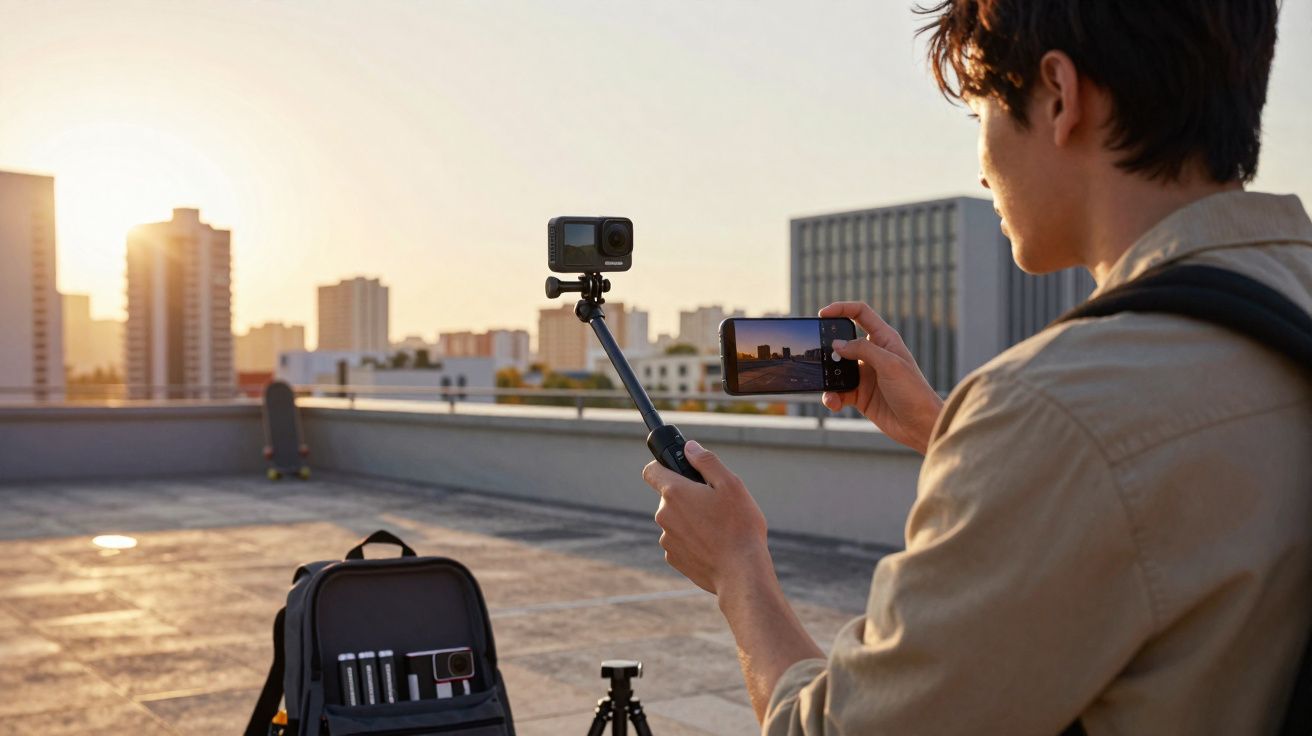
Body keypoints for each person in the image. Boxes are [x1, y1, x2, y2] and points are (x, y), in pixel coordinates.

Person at [641, 1, 1311, 733]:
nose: (983, 165)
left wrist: (738, 569)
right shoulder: (1281, 306)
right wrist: (954, 436)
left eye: (980, 110)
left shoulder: (1057, 412)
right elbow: (1177, 495)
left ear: (1059, 96)